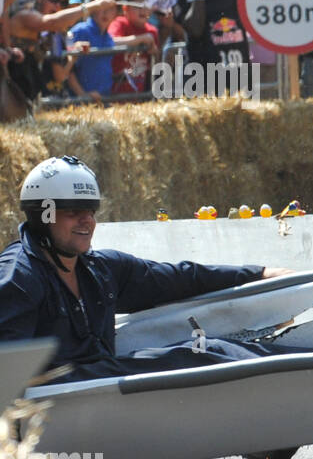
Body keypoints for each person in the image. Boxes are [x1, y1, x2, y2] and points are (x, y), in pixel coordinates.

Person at [0, 156, 295, 383]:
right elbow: (7, 374)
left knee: (209, 348)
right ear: (43, 216)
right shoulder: (18, 278)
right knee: (197, 356)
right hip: (64, 405)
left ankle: (303, 370)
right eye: (73, 212)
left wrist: (258, 273)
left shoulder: (99, 269)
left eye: (90, 211)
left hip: (102, 391)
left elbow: (180, 277)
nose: (86, 221)